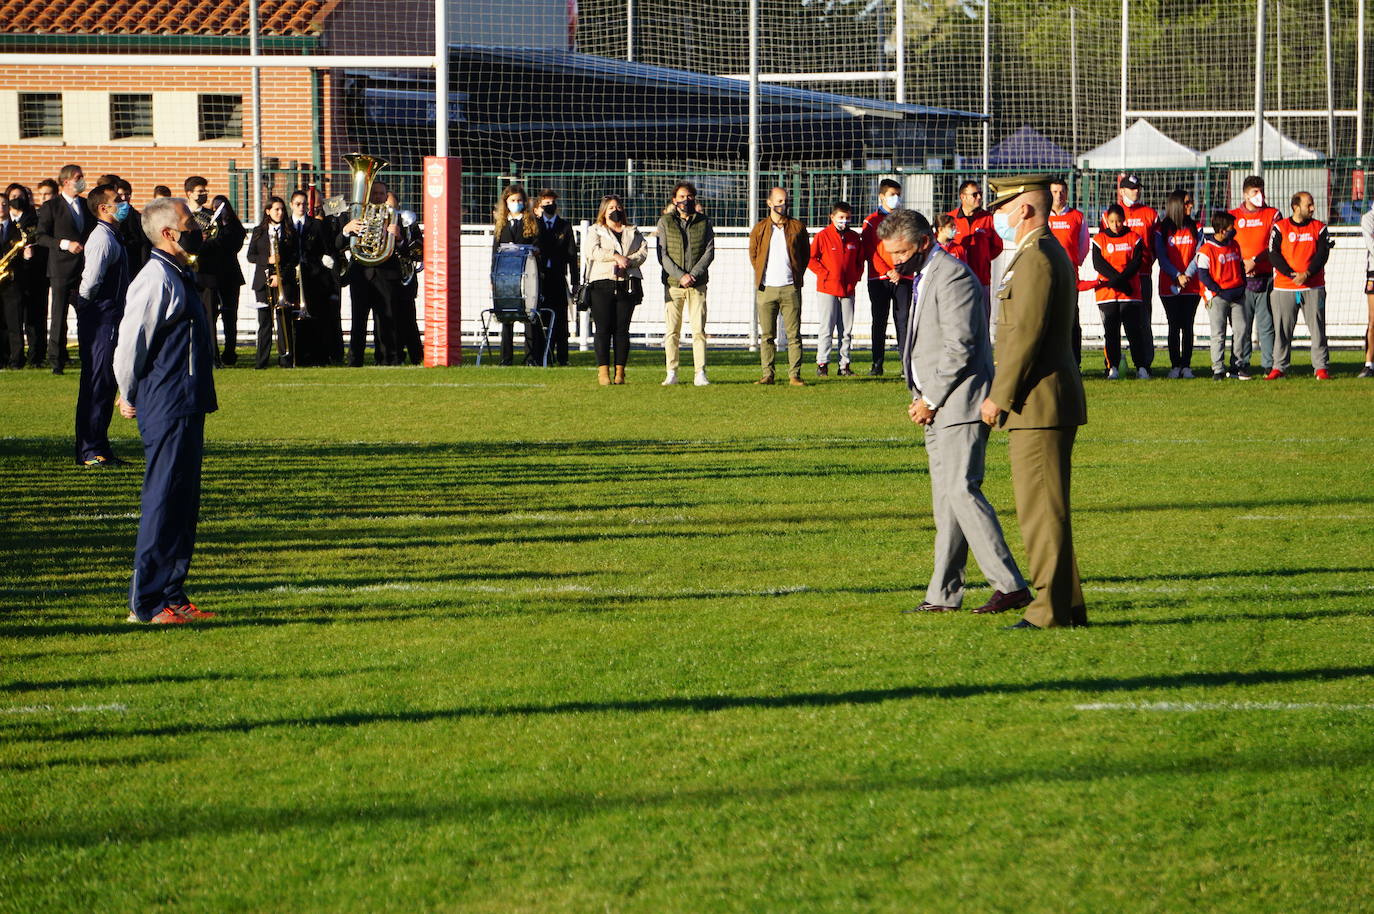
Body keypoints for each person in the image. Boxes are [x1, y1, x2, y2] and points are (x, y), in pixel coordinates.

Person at [879, 208, 1031, 616]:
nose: (895, 260)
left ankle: (1011, 585)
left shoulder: (953, 276)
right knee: (946, 502)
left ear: (924, 243)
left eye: (901, 252)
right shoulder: (926, 275)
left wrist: (929, 399)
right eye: (890, 253)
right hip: (937, 404)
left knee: (962, 491)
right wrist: (924, 397)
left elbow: (959, 346)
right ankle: (943, 595)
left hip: (959, 402)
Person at [981, 174, 1088, 630]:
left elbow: (1024, 336)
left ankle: (1048, 611)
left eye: (1003, 207)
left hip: (1038, 404)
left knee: (1041, 512)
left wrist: (998, 397)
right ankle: (1068, 605)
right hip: (1044, 402)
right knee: (1048, 510)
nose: (998, 216)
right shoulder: (1039, 252)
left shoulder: (1037, 258)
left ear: (1024, 209)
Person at [113, 196, 218, 624]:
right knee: (162, 500)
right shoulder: (155, 277)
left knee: (183, 503)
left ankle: (173, 594)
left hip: (188, 400)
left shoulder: (178, 271)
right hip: (167, 401)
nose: (197, 227)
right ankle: (146, 603)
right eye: (189, 221)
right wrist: (127, 392)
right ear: (169, 233)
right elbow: (130, 343)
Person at [73, 184, 131, 468]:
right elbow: (91, 281)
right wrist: (87, 309)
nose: (124, 202)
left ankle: (100, 447)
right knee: (97, 382)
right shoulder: (102, 238)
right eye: (117, 200)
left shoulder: (113, 235)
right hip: (101, 319)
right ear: (103, 208)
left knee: (105, 383)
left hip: (110, 317)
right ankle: (90, 451)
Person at [341, 177, 411, 366]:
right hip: (360, 275)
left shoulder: (394, 218)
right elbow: (337, 244)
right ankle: (355, 360)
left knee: (386, 321)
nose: (378, 196)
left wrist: (399, 238)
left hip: (386, 276)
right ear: (368, 195)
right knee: (358, 320)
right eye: (374, 193)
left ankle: (388, 359)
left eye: (381, 193)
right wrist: (346, 231)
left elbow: (406, 251)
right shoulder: (355, 216)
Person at [748, 187, 811, 386]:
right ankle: (768, 374)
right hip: (766, 289)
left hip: (790, 288)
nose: (783, 204)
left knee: (794, 335)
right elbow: (754, 255)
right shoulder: (759, 229)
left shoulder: (797, 227)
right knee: (767, 335)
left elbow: (805, 255)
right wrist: (762, 275)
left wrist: (796, 276)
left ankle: (794, 375)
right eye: (779, 201)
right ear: (769, 203)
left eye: (785, 200)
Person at [1267, 191, 1331, 380]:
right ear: (1296, 207)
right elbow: (1273, 254)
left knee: (1318, 329)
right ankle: (1279, 367)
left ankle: (1320, 368)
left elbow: (1323, 254)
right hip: (1284, 287)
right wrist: (1290, 274)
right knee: (1281, 330)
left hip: (1313, 287)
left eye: (1312, 204)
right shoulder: (1280, 227)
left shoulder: (1319, 227)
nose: (1312, 208)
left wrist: (1307, 274)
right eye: (1308, 205)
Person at [656, 181, 715, 386]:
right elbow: (663, 255)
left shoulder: (704, 222)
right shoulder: (665, 222)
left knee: (698, 330)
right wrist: (681, 276)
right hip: (673, 284)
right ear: (674, 200)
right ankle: (671, 372)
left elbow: (709, 252)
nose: (685, 200)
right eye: (681, 197)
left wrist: (694, 275)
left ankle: (700, 372)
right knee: (672, 330)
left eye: (689, 196)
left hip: (697, 285)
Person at [584, 194, 647, 385]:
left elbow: (643, 252)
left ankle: (620, 372)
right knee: (603, 329)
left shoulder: (632, 231)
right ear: (604, 211)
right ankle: (603, 372)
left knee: (622, 330)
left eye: (618, 207)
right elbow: (592, 251)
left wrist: (628, 262)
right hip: (601, 283)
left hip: (627, 283)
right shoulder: (596, 230)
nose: (615, 211)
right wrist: (615, 256)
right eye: (611, 208)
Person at [35, 164, 92, 373]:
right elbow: (41, 236)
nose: (82, 180)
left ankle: (88, 355)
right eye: (78, 177)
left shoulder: (86, 205)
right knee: (59, 315)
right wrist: (65, 244)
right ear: (66, 181)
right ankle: (56, 360)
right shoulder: (52, 206)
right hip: (61, 268)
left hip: (83, 268)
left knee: (87, 312)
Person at [184, 178, 246, 367]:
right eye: (200, 191)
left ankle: (216, 357)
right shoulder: (182, 214)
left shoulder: (211, 216)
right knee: (199, 316)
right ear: (189, 193)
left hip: (210, 273)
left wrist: (204, 243)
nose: (204, 194)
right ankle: (204, 354)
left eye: (205, 191)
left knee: (213, 315)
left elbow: (221, 242)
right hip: (190, 271)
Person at [1091, 204, 1148, 380]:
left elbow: (1136, 263)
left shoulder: (1134, 238)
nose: (1115, 225)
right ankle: (1113, 367)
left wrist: (1120, 281)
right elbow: (1098, 264)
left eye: (1119, 221)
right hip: (1107, 293)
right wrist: (1119, 282)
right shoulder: (1099, 239)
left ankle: (1141, 367)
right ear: (1106, 221)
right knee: (1111, 331)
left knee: (1133, 330)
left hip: (1130, 294)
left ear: (1124, 220)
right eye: (1112, 221)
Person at [1228, 176, 1279, 374]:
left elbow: (1275, 245)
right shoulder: (1233, 216)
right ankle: (1240, 364)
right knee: (1242, 326)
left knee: (1267, 325)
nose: (1260, 195)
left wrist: (1255, 260)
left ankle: (1269, 365)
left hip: (1265, 278)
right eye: (1255, 192)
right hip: (1240, 281)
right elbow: (1226, 245)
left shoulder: (1273, 214)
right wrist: (1241, 264)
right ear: (1245, 194)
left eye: (1262, 191)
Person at [1109, 173, 1158, 375]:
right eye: (1131, 188)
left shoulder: (1150, 213)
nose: (1135, 191)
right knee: (1113, 321)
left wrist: (1146, 263)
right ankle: (1112, 363)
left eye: (1137, 188)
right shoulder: (1111, 214)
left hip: (1142, 275)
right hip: (1117, 278)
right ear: (1121, 191)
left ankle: (1145, 364)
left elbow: (1156, 245)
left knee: (1143, 320)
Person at [809, 201, 864, 377]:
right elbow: (811, 259)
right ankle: (822, 363)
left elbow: (860, 262)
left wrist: (855, 278)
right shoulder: (822, 236)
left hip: (848, 289)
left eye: (847, 217)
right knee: (826, 328)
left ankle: (844, 365)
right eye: (841, 217)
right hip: (827, 288)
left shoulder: (854, 237)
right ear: (832, 217)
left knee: (846, 330)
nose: (844, 221)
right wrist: (825, 274)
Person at [491, 184, 542, 366]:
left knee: (529, 316)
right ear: (506, 202)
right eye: (513, 200)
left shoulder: (531, 222)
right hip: (505, 276)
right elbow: (495, 251)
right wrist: (493, 276)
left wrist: (534, 250)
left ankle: (531, 358)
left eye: (519, 200)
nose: (516, 203)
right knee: (506, 316)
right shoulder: (501, 224)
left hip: (526, 274)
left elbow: (538, 245)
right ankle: (506, 358)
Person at [1154, 188, 1203, 378]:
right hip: (1169, 285)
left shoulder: (1196, 227)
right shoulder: (1161, 229)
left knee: (1188, 325)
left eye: (1191, 202)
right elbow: (1161, 257)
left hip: (1192, 285)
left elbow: (1199, 254)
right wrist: (1176, 275)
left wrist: (1186, 275)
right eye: (1187, 202)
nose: (1191, 205)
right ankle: (1175, 365)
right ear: (1177, 205)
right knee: (1174, 325)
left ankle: (1186, 365)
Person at [246, 196, 299, 369]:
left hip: (284, 280)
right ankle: (261, 362)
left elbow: (295, 257)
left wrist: (280, 275)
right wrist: (267, 260)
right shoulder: (258, 231)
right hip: (263, 281)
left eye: (282, 209)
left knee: (284, 321)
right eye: (276, 209)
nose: (280, 213)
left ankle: (286, 360)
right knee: (265, 322)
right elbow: (250, 256)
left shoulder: (290, 231)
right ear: (268, 211)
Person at [1196, 211, 1249, 380]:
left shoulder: (1235, 245)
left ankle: (1237, 366)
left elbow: (1240, 267)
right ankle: (1218, 369)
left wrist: (1242, 285)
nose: (1234, 230)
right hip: (1218, 297)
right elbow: (1203, 275)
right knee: (1218, 333)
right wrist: (1218, 291)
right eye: (1231, 227)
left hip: (1237, 295)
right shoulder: (1206, 250)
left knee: (1241, 330)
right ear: (1222, 230)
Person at [860, 178, 905, 376]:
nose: (896, 198)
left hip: (903, 278)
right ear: (881, 196)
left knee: (903, 321)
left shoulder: (905, 220)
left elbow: (911, 247)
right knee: (879, 321)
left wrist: (900, 269)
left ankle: (906, 365)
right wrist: (887, 270)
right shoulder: (871, 221)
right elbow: (869, 250)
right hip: (878, 278)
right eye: (892, 195)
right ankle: (877, 364)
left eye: (898, 195)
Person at [289, 189, 339, 365]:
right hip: (292, 275)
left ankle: (318, 356)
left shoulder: (316, 224)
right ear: (291, 205)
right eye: (297, 204)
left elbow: (326, 249)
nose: (301, 207)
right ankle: (298, 356)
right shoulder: (287, 224)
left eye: (304, 204)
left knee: (316, 315)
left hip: (313, 275)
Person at [534, 189, 578, 367]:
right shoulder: (535, 225)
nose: (550, 206)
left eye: (553, 202)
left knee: (560, 318)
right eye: (546, 203)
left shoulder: (564, 226)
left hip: (558, 277)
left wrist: (575, 282)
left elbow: (572, 255)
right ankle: (543, 355)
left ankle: (563, 357)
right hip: (539, 278)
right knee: (541, 317)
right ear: (540, 205)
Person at [947, 180, 1004, 315]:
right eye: (974, 194)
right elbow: (942, 246)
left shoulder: (987, 218)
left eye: (980, 194)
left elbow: (997, 246)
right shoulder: (950, 219)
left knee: (982, 318)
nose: (979, 197)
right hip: (956, 280)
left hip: (981, 279)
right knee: (958, 317)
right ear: (963, 197)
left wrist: (983, 258)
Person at [387, 191, 424, 365]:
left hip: (404, 278)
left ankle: (417, 356)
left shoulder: (407, 222)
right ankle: (393, 357)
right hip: (383, 278)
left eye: (391, 206)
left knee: (408, 319)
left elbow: (419, 250)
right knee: (387, 320)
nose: (388, 210)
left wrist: (401, 240)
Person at [1359, 199, 1374, 378]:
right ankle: (1369, 364)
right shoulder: (1368, 218)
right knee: (1373, 321)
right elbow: (1372, 245)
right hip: (1373, 273)